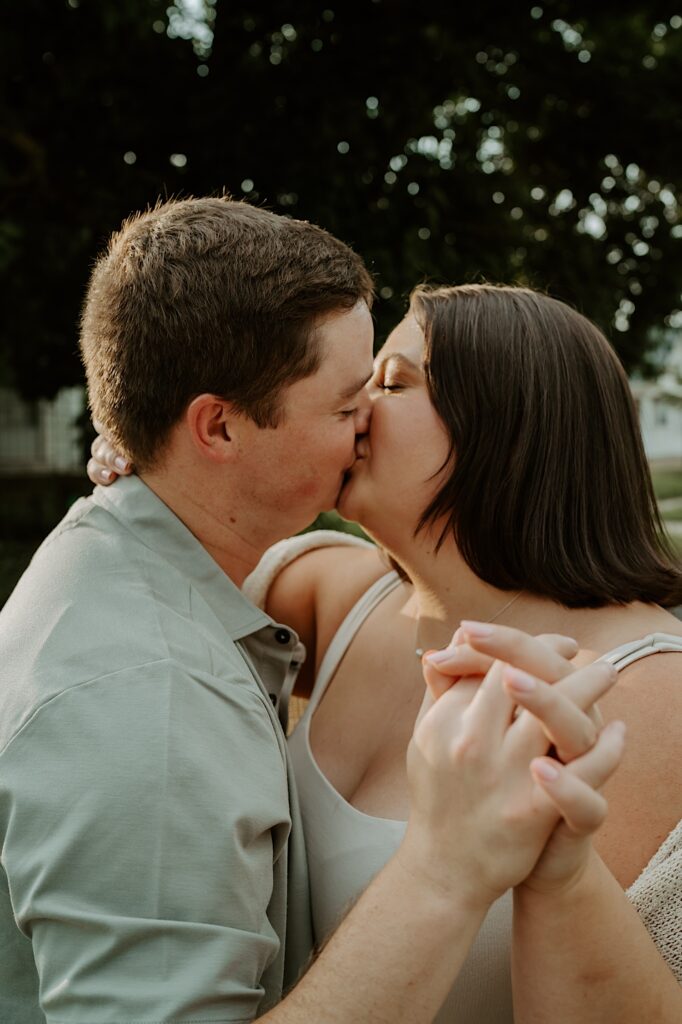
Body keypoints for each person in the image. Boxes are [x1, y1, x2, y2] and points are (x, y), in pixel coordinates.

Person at [0, 200, 618, 1024]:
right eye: (345, 403)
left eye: (385, 388)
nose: (367, 424)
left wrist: (145, 446)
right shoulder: (152, 698)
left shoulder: (165, 564)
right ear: (217, 426)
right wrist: (444, 871)